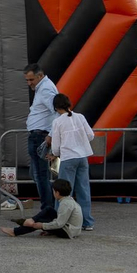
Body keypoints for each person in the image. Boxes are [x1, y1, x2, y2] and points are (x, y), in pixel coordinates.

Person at [45, 92, 96, 231]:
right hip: (83, 156)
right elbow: (91, 135)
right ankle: (87, 221)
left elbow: (56, 145)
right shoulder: (80, 117)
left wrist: (54, 154)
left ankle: (60, 220)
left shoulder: (58, 122)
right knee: (84, 190)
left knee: (63, 192)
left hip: (68, 158)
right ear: (69, 104)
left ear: (56, 108)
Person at [23, 64, 60, 220]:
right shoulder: (43, 88)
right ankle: (51, 205)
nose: (29, 83)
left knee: (40, 175)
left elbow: (58, 111)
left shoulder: (45, 90)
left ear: (40, 76)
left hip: (40, 135)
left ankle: (48, 210)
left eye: (31, 79)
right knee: (37, 173)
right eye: (27, 80)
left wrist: (51, 134)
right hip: (39, 134)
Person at [2, 179, 82, 238]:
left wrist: (42, 226)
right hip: (70, 228)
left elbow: (59, 224)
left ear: (57, 193)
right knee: (48, 209)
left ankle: (15, 232)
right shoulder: (68, 199)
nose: (53, 193)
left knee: (39, 222)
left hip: (68, 232)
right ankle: (31, 220)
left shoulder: (65, 204)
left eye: (53, 191)